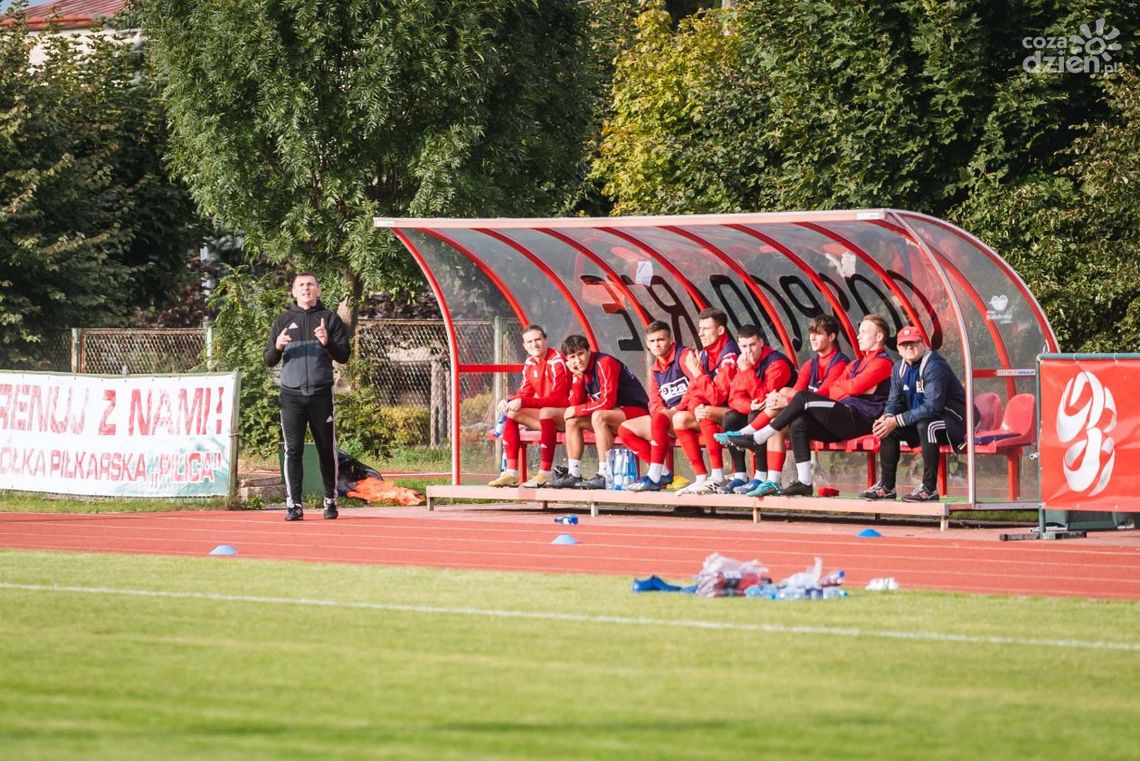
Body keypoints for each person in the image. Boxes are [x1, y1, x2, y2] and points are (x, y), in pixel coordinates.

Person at [725, 314, 893, 497]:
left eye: (864, 332)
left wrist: (851, 386)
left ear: (879, 337)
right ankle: (804, 482)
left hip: (860, 418)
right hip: (842, 415)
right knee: (800, 422)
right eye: (859, 332)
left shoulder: (882, 362)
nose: (859, 336)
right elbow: (836, 391)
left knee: (803, 397)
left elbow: (848, 387)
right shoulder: (856, 363)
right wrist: (852, 386)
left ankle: (757, 435)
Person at [715, 314, 850, 495]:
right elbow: (734, 398)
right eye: (811, 333)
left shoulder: (838, 363)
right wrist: (754, 404)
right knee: (768, 422)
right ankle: (771, 480)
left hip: (833, 420)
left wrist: (781, 397)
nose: (812, 338)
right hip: (804, 416)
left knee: (783, 397)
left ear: (832, 337)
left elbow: (822, 396)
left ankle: (750, 436)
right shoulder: (811, 364)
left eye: (818, 334)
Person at [264, 272, 351, 521]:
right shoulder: (282, 321)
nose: (306, 288)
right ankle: (294, 504)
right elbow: (269, 360)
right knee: (293, 450)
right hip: (291, 396)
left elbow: (344, 355)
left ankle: (330, 500)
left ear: (318, 290)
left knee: (326, 449)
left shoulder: (329, 319)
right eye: (301, 285)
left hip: (321, 395)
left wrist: (327, 342)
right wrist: (278, 346)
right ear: (293, 292)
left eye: (310, 284)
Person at [862, 325, 977, 502]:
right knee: (889, 428)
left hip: (959, 420)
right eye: (904, 344)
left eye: (914, 343)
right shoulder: (898, 368)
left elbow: (933, 407)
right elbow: (894, 401)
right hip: (926, 419)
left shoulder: (935, 365)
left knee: (927, 425)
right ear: (898, 349)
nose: (909, 347)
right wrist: (887, 417)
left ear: (922, 344)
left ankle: (929, 488)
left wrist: (897, 420)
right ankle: (887, 486)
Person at [549, 335, 650, 489]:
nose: (578, 360)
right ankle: (573, 473)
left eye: (581, 354)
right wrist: (577, 377)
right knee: (572, 421)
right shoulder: (582, 372)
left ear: (589, 350)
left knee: (598, 415)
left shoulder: (604, 363)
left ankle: (605, 474)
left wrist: (576, 409)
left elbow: (607, 402)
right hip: (614, 416)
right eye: (572, 357)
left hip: (637, 413)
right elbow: (576, 402)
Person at [619, 321, 703, 492]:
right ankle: (662, 472)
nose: (657, 344)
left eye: (661, 339)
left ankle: (654, 476)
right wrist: (661, 411)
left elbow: (697, 385)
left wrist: (676, 409)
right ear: (647, 345)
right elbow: (654, 400)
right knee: (625, 430)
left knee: (659, 417)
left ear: (670, 339)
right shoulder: (655, 369)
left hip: (689, 415)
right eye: (652, 341)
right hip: (667, 419)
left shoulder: (684, 356)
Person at [711, 325, 795, 496]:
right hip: (759, 411)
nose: (748, 351)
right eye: (743, 346)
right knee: (731, 418)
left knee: (755, 416)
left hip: (786, 417)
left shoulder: (777, 363)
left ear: (761, 343)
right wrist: (750, 405)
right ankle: (741, 475)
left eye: (752, 345)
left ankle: (761, 476)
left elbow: (765, 397)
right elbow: (734, 398)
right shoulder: (743, 363)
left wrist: (747, 371)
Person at [488, 324, 570, 488]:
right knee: (511, 411)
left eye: (538, 340)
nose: (534, 344)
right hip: (548, 417)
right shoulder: (530, 363)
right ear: (524, 346)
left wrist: (524, 402)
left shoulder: (557, 361)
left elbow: (559, 399)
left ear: (545, 340)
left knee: (546, 412)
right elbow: (525, 392)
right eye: (530, 342)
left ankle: (544, 474)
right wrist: (509, 401)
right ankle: (511, 473)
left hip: (568, 415)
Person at [671, 307, 740, 494]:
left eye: (706, 329)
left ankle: (717, 476)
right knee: (679, 419)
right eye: (700, 329)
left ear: (720, 330)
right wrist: (692, 406)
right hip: (718, 410)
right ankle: (701, 477)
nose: (700, 333)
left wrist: (696, 371)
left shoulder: (730, 356)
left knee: (706, 411)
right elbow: (695, 390)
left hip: (738, 414)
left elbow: (718, 396)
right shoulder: (706, 353)